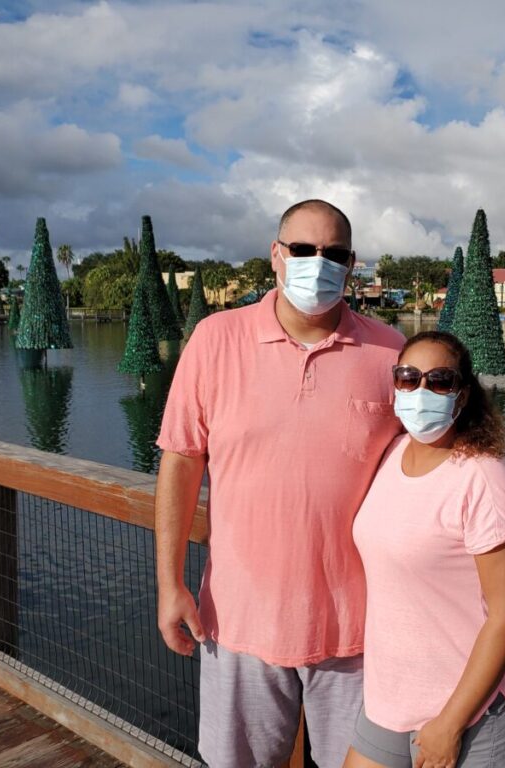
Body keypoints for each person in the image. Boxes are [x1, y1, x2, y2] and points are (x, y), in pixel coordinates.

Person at [154, 199, 405, 768]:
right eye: (303, 250)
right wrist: (169, 584)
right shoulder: (215, 340)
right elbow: (181, 463)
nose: (319, 263)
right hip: (240, 619)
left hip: (360, 629)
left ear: (352, 263)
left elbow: (425, 468)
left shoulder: (392, 353)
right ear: (276, 255)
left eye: (334, 253)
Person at [346, 331, 505, 768]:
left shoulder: (484, 479)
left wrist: (450, 724)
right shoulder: (392, 454)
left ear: (463, 394)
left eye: (440, 380)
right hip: (390, 699)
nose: (421, 390)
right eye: (408, 378)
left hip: (468, 711)